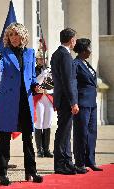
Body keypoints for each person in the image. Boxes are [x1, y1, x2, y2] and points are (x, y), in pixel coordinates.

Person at [0, 22, 43, 186]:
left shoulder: (30, 53)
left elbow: (32, 76)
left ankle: (31, 171)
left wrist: (36, 86)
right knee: (4, 138)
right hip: (8, 101)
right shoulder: (3, 53)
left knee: (28, 138)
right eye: (10, 35)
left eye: (16, 34)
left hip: (25, 100)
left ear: (22, 36)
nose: (13, 37)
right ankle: (2, 174)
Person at [51, 28, 87, 175]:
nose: (75, 43)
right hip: (66, 100)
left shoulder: (57, 53)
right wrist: (73, 102)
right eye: (75, 40)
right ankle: (61, 164)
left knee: (65, 131)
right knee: (63, 132)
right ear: (72, 40)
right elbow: (67, 81)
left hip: (62, 98)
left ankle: (67, 161)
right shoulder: (65, 55)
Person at [73, 38, 103, 172]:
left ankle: (90, 160)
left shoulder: (86, 63)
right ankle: (79, 162)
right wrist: (74, 102)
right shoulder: (76, 63)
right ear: (82, 50)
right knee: (81, 133)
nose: (90, 51)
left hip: (92, 102)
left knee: (91, 132)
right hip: (82, 103)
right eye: (89, 49)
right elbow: (73, 84)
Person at [33, 48, 54, 158]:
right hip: (39, 98)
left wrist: (49, 74)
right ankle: (39, 149)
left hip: (48, 98)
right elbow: (35, 82)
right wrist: (42, 75)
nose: (42, 61)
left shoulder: (50, 70)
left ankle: (46, 149)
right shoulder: (34, 70)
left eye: (44, 59)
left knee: (47, 123)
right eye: (40, 59)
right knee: (39, 123)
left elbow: (54, 84)